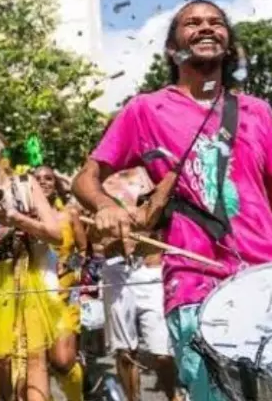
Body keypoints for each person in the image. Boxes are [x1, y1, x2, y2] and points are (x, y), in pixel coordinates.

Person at [72, 0, 272, 401]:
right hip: (195, 285)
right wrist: (106, 207)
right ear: (173, 49)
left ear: (228, 45)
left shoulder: (257, 111)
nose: (207, 27)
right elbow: (86, 179)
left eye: (216, 22)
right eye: (192, 23)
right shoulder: (144, 110)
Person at [0, 120, 65, 401]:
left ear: (1, 140)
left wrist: (18, 219)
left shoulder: (24, 184)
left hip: (22, 280)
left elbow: (56, 234)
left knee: (34, 364)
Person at [98, 167, 180, 401]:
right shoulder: (100, 180)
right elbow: (94, 230)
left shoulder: (153, 167)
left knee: (162, 351)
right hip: (116, 269)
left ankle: (173, 396)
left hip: (150, 270)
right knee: (124, 350)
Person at [32, 165, 88, 401]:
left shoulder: (69, 214)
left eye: (49, 178)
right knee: (39, 362)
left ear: (55, 184)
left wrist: (71, 269)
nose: (44, 182)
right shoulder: (21, 216)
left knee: (63, 361)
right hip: (32, 294)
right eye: (38, 179)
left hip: (65, 294)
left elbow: (83, 249)